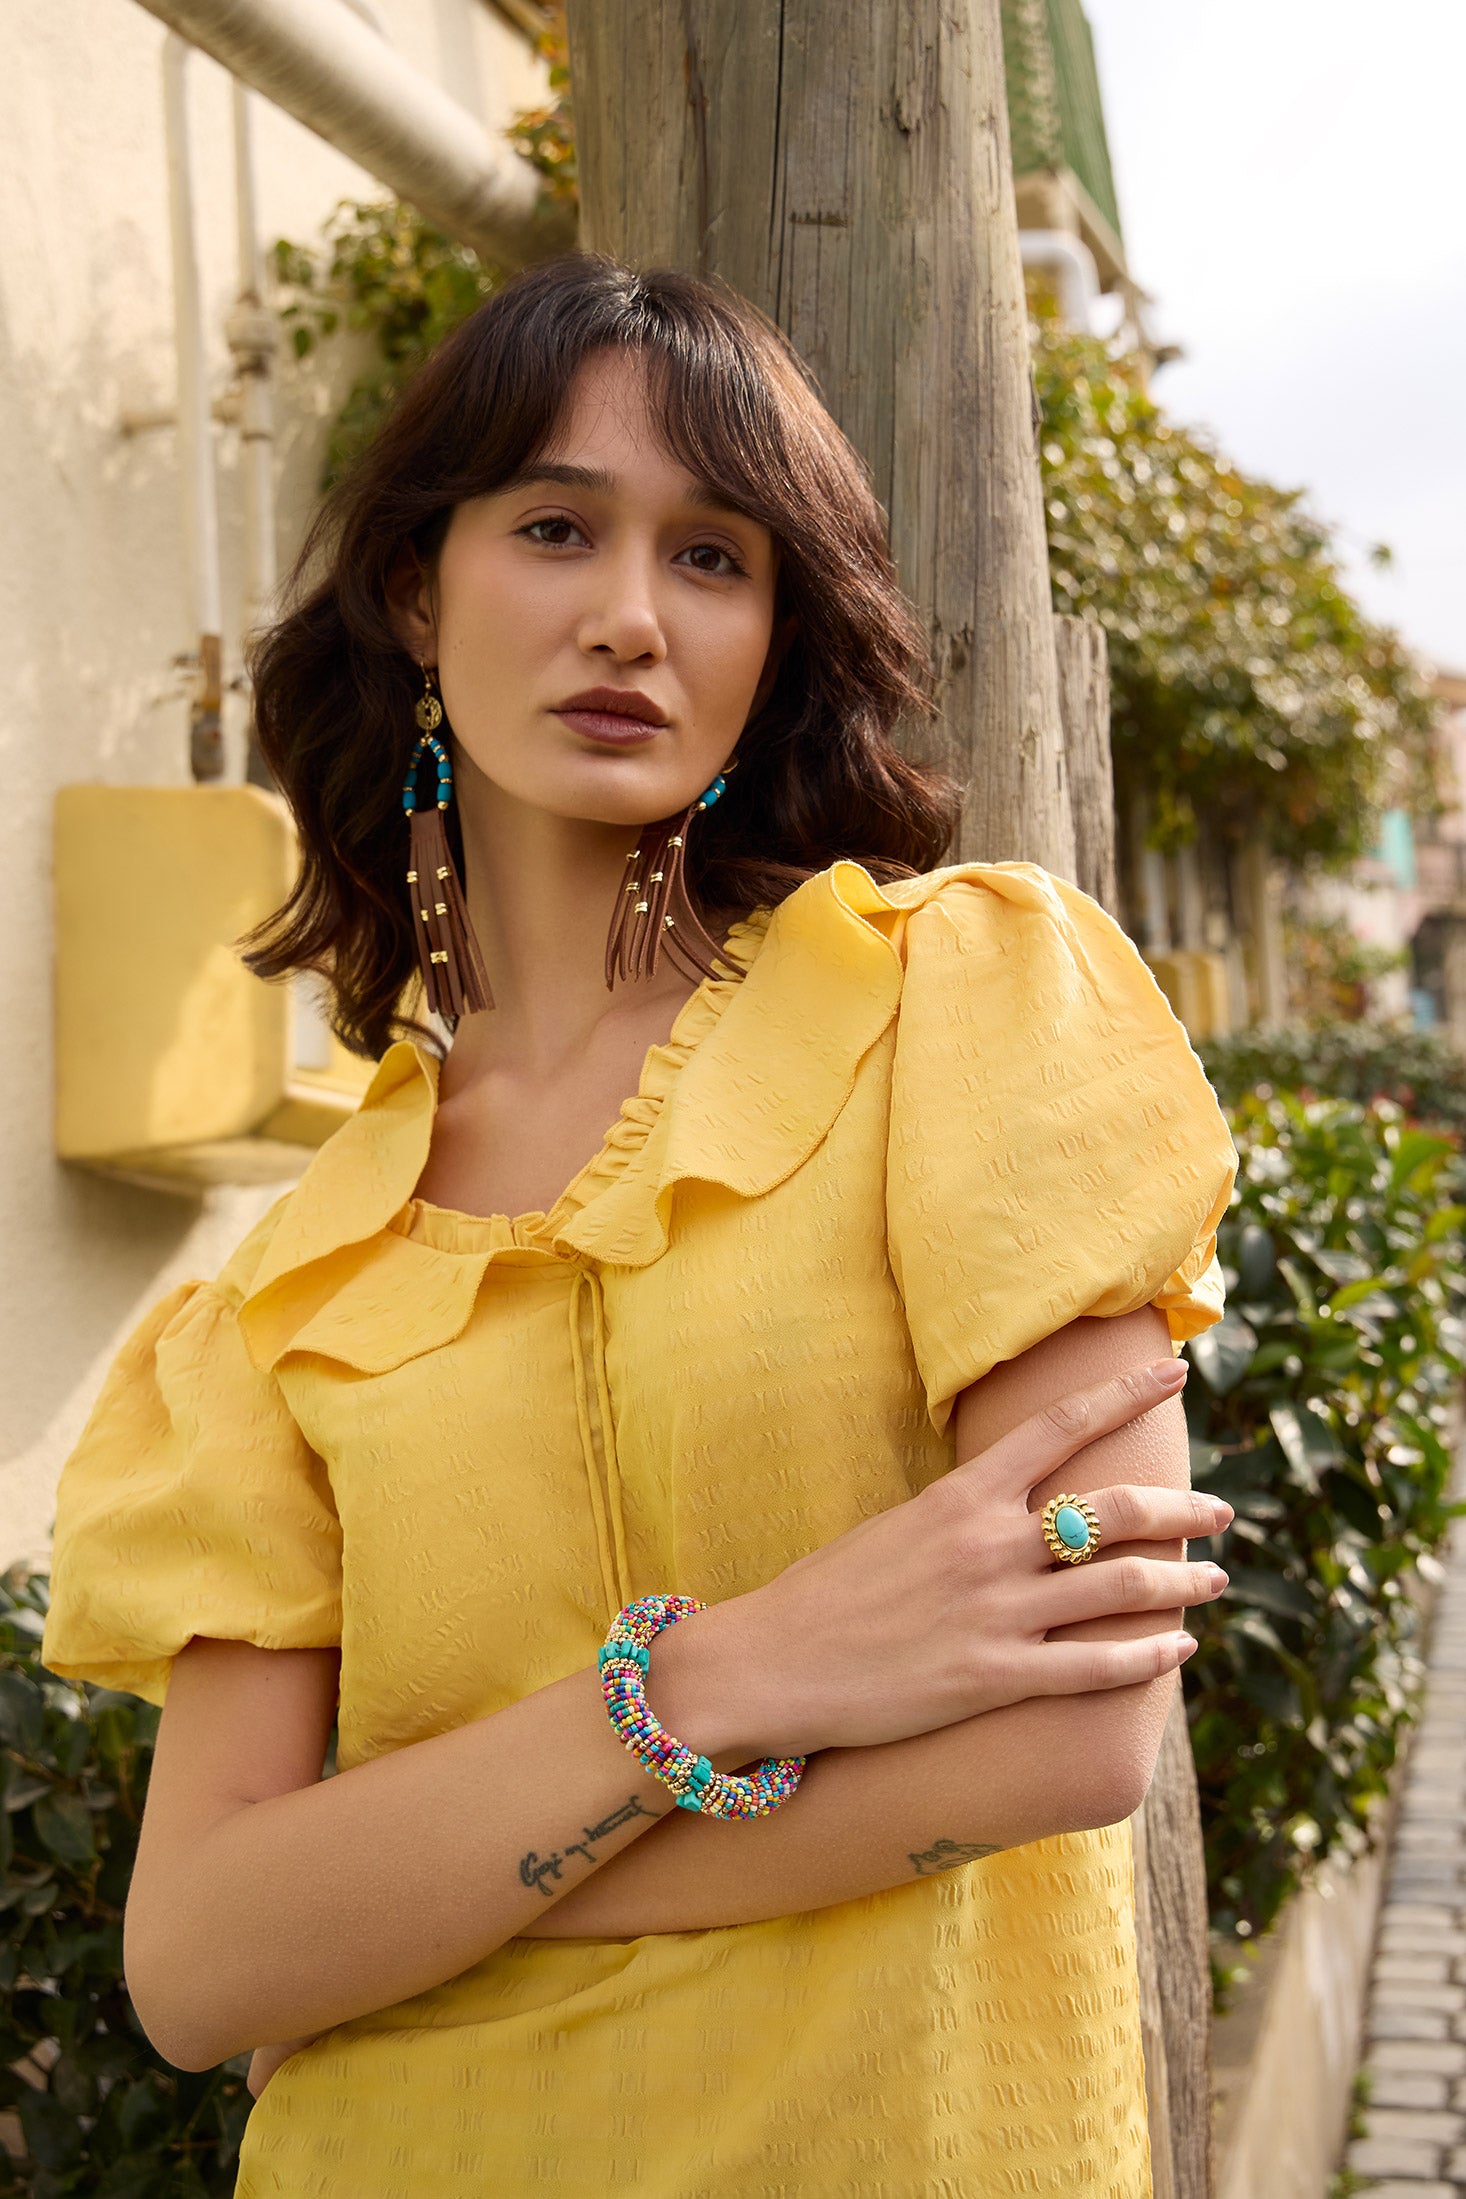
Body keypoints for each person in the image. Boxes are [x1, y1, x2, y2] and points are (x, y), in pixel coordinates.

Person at [42, 256, 1237, 2197]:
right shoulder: (297, 1279)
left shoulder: (957, 1004)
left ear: (778, 632)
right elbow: (197, 1962)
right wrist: (723, 1676)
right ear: (418, 593)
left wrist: (401, 1904)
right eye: (552, 526)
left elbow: (1068, 1736)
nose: (626, 614)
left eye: (712, 557)